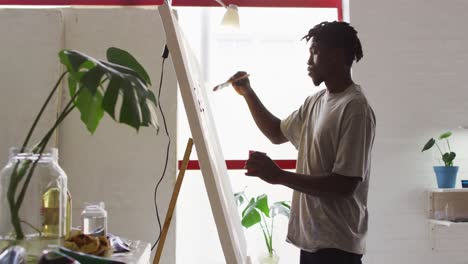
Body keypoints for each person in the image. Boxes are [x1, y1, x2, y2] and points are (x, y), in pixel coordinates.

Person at [230, 21, 376, 264]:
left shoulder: (355, 108)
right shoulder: (315, 101)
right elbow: (276, 133)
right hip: (311, 242)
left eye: (315, 52)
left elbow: (344, 185)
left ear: (336, 56)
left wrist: (279, 176)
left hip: (337, 248)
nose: (309, 61)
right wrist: (248, 93)